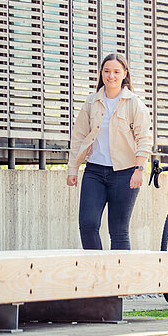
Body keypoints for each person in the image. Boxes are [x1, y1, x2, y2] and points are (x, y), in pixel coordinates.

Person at [66, 54, 153, 250]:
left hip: (125, 173)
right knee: (88, 225)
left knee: (118, 231)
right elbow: (78, 136)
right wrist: (72, 169)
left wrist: (139, 169)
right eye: (106, 71)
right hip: (94, 172)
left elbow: (144, 139)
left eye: (116, 72)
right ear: (101, 73)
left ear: (125, 74)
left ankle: (119, 271)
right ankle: (97, 267)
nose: (111, 76)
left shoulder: (134, 103)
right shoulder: (91, 102)